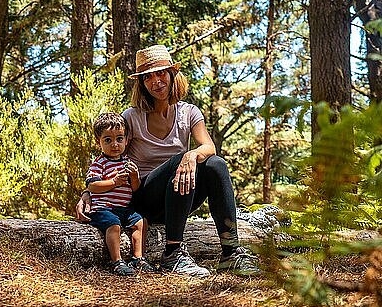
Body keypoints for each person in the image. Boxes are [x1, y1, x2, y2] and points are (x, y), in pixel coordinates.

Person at [77, 45, 260, 277]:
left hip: (179, 200)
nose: (156, 81)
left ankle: (231, 253)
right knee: (177, 162)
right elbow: (109, 152)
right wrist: (88, 193)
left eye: (161, 73)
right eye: (148, 77)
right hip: (144, 199)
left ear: (172, 74)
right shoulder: (131, 117)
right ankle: (172, 253)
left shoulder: (189, 112)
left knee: (216, 164)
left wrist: (191, 154)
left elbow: (209, 147)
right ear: (142, 84)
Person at [84, 112, 157, 276]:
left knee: (140, 222)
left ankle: (138, 257)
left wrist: (134, 177)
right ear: (99, 142)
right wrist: (114, 182)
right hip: (103, 209)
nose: (115, 144)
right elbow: (93, 186)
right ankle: (116, 261)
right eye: (108, 140)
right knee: (114, 225)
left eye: (119, 139)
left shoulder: (128, 162)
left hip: (124, 208)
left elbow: (135, 188)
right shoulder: (99, 163)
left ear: (126, 140)